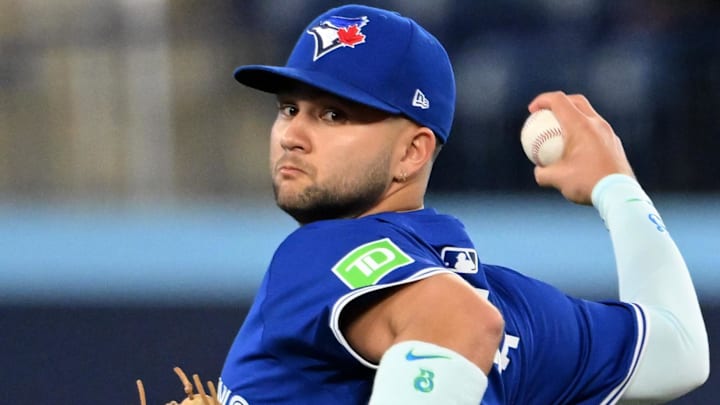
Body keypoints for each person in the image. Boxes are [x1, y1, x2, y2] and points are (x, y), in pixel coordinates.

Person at [219, 4, 709, 404]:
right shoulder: (522, 312)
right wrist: (618, 189)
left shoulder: (320, 253)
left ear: (413, 152)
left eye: (332, 114)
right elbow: (679, 351)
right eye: (288, 108)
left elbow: (460, 322)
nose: (292, 136)